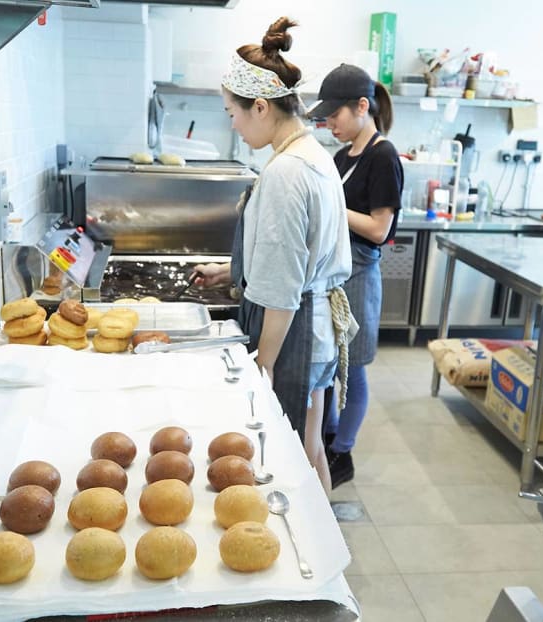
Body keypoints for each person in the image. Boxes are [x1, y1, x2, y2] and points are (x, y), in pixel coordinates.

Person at [193, 18, 352, 496]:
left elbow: (283, 290)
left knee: (290, 453)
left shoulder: (286, 172)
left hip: (294, 334)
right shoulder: (314, 154)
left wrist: (260, 369)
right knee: (309, 446)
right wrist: (231, 270)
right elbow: (291, 253)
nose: (234, 125)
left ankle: (314, 556)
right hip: (315, 323)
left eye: (233, 114)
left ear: (260, 106)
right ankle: (324, 549)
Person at [307, 64, 404, 489]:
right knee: (331, 362)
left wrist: (332, 208)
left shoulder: (384, 156)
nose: (330, 125)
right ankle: (328, 436)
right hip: (334, 272)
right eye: (325, 118)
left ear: (362, 106)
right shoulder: (340, 157)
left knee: (354, 368)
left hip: (362, 272)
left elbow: (380, 230)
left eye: (336, 116)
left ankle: (342, 451)